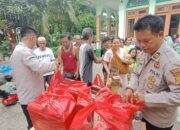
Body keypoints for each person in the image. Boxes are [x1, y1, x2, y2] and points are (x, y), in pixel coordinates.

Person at [124, 15, 180, 130]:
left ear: (160, 35)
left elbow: (178, 95)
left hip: (158, 121)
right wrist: (130, 88)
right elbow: (136, 73)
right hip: (140, 111)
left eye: (146, 41)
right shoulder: (144, 51)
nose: (142, 45)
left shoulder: (172, 62)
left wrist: (147, 98)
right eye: (138, 41)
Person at [10, 26, 57, 130]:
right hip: (30, 99)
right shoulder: (24, 52)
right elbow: (39, 67)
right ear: (31, 38)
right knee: (35, 126)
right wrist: (54, 65)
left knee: (33, 125)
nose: (36, 44)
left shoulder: (16, 51)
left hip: (26, 96)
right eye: (36, 40)